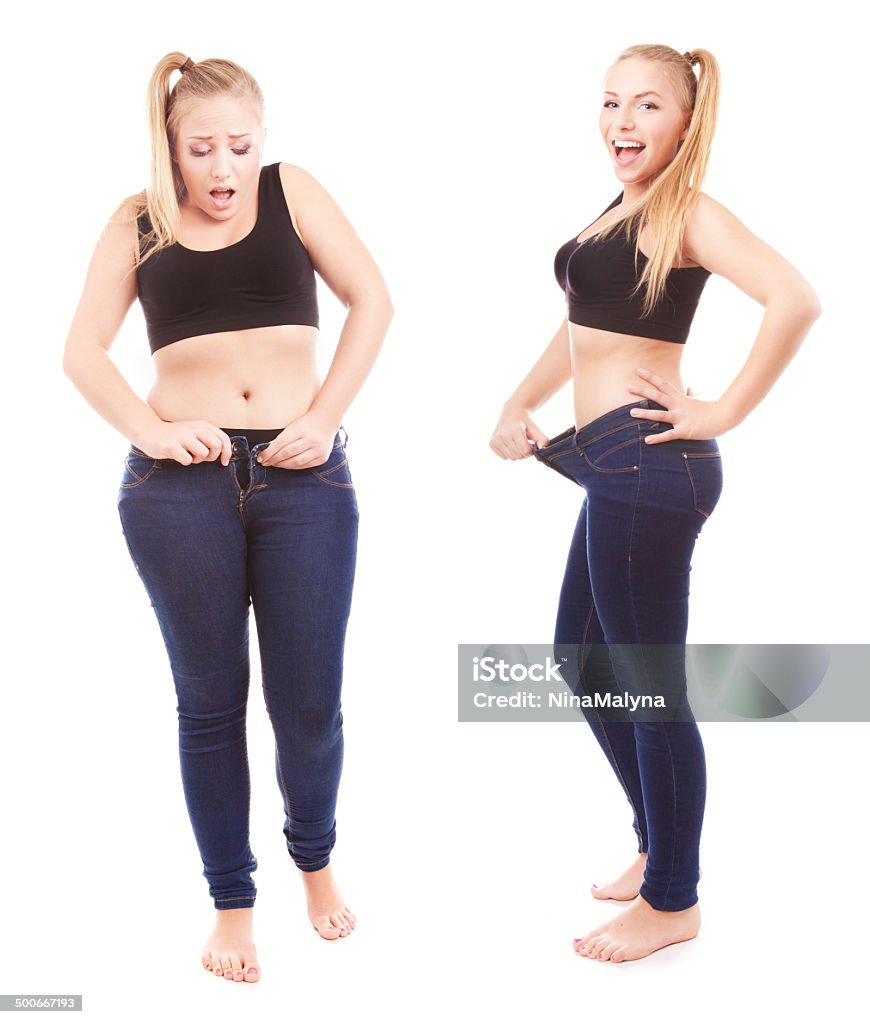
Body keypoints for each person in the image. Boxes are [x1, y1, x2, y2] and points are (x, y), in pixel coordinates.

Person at [62, 52, 393, 983]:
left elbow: (373, 301)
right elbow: (82, 352)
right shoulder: (136, 219)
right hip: (180, 486)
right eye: (200, 150)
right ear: (170, 148)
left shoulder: (294, 193)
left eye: (238, 148)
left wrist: (324, 418)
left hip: (304, 476)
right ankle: (233, 904)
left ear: (262, 144)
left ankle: (315, 862)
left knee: (310, 706)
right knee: (210, 706)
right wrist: (152, 432)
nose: (221, 170)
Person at [489, 43, 820, 963]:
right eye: (610, 105)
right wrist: (521, 403)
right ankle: (657, 843)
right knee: (578, 656)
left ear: (685, 121)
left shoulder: (691, 213)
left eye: (644, 108)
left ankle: (675, 900)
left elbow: (795, 299)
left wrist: (721, 409)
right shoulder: (622, 212)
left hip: (650, 468)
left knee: (646, 687)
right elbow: (583, 331)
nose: (621, 124)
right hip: (615, 465)